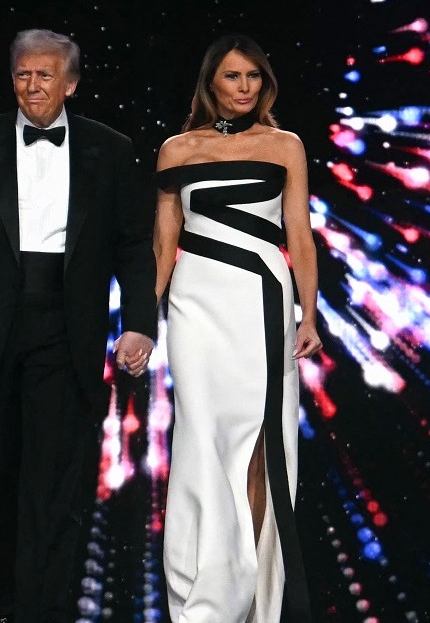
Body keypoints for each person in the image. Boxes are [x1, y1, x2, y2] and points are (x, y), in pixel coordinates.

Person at [0, 29, 156, 623]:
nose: (32, 85)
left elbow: (131, 245)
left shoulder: (111, 148)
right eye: (23, 74)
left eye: (45, 75)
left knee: (55, 482)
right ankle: (3, 604)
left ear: (70, 83)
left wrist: (139, 324)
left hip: (67, 328)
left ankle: (46, 610)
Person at [153, 34, 321, 622]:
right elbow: (163, 244)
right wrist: (142, 323)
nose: (245, 87)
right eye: (232, 76)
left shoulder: (285, 145)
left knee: (256, 448)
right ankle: (203, 595)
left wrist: (309, 312)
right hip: (195, 304)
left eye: (254, 76)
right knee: (200, 439)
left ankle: (245, 600)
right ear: (211, 83)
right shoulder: (176, 150)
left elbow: (300, 234)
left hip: (262, 302)